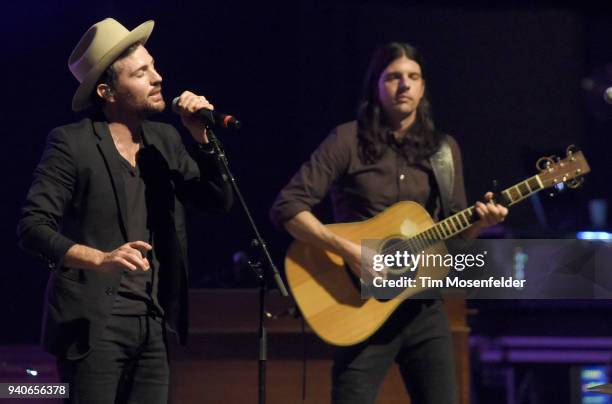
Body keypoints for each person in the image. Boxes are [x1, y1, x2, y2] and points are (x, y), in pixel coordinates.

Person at [270, 42, 507, 404]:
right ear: (376, 85)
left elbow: (453, 244)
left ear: (424, 87)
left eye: (413, 77)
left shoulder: (444, 151)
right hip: (359, 310)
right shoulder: (346, 140)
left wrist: (478, 224)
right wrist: (350, 252)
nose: (405, 85)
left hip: (424, 310)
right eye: (394, 77)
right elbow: (287, 206)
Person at [17, 18, 233, 404]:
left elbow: (216, 201)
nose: (157, 78)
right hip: (93, 325)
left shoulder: (165, 140)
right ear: (107, 91)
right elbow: (32, 227)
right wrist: (99, 258)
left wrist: (201, 140)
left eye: (153, 66)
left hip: (153, 321)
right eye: (141, 73)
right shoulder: (72, 143)